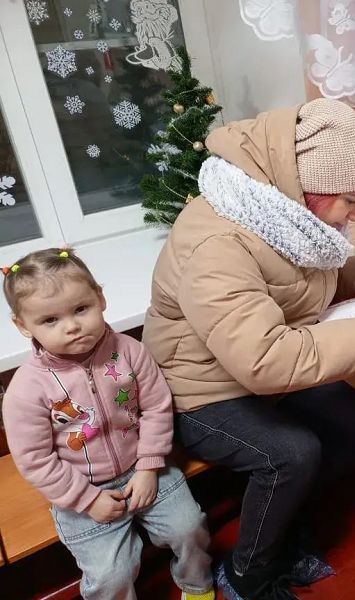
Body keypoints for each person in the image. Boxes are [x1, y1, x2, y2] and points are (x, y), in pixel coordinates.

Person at [142, 98, 355, 599]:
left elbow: (301, 285)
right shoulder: (218, 244)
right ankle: (246, 576)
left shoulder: (280, 215)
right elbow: (264, 360)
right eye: (350, 200)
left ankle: (285, 527)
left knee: (354, 423)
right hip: (196, 390)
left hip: (250, 369)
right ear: (307, 187)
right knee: (291, 453)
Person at [1, 248, 214, 600]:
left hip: (144, 467)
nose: (71, 326)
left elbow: (157, 407)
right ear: (23, 325)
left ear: (100, 298)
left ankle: (196, 584)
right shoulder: (26, 389)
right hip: (79, 491)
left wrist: (148, 467)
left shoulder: (129, 351)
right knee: (112, 575)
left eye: (80, 309)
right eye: (50, 320)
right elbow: (36, 460)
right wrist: (87, 500)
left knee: (190, 528)